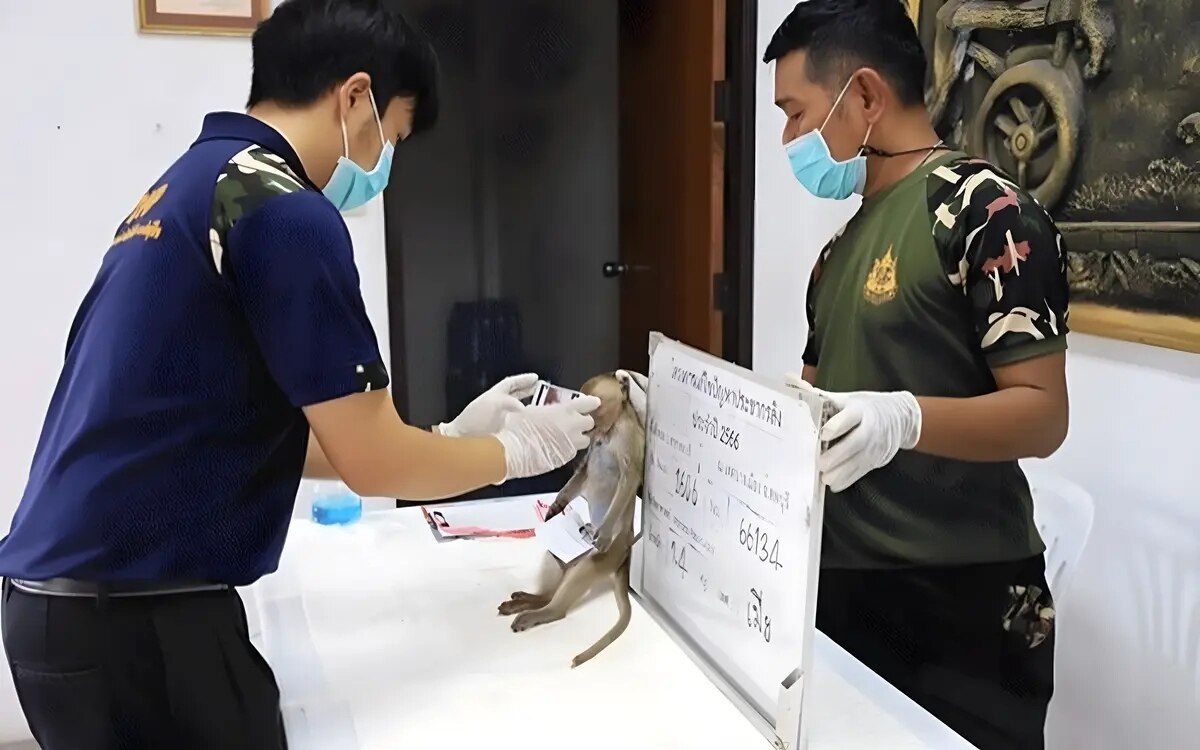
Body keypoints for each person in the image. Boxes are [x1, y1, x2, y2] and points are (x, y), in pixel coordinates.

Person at [0, 1, 599, 748]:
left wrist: (442, 436)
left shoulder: (194, 183)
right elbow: (370, 459)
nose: (386, 162)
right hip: (137, 625)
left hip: (65, 611)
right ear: (355, 97)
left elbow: (247, 427)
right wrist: (515, 453)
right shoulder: (283, 209)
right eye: (395, 136)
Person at [761, 1, 1070, 747]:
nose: (789, 139)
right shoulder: (838, 252)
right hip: (845, 583)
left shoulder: (987, 214)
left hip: (960, 598)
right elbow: (816, 397)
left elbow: (1042, 415)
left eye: (797, 114)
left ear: (864, 96)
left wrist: (906, 418)